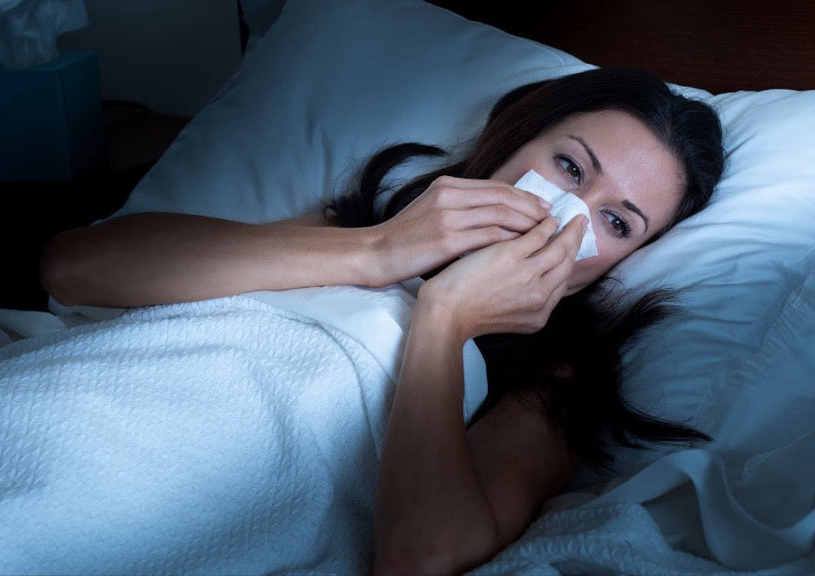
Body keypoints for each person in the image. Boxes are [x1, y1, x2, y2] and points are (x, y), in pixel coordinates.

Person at [39, 67, 725, 575]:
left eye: (613, 222)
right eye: (569, 166)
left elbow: (421, 559)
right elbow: (75, 267)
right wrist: (376, 251)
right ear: (511, 142)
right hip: (75, 415)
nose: (563, 215)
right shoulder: (358, 230)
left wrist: (444, 318)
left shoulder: (552, 378)